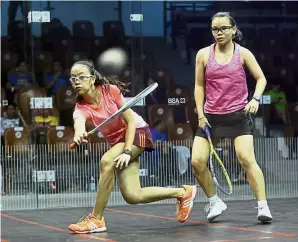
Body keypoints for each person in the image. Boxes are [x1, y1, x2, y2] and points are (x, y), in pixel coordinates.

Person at [67, 60, 198, 233]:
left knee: (107, 162)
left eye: (81, 77)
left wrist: (128, 151)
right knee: (133, 195)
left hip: (138, 132)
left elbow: (130, 122)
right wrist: (79, 134)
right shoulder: (81, 107)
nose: (76, 81)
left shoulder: (110, 91)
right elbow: (79, 124)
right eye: (73, 78)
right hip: (120, 142)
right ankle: (183, 192)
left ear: (92, 79)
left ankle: (96, 219)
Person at [191, 12, 273, 223]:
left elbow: (261, 78)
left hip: (238, 115)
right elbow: (199, 86)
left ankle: (263, 206)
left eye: (223, 28)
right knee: (197, 162)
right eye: (214, 29)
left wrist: (255, 99)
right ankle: (215, 201)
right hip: (210, 116)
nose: (218, 33)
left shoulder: (243, 54)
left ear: (233, 30)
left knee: (246, 159)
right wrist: (200, 114)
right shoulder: (202, 55)